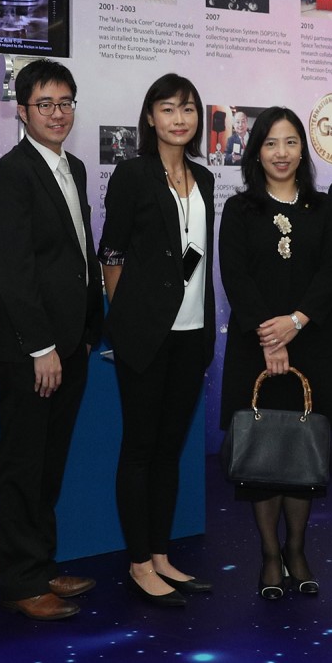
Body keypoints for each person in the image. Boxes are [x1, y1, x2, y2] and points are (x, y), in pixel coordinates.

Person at [0, 59, 105, 621]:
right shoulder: (11, 174)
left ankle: (43, 564)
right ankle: (19, 581)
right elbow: (14, 269)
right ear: (22, 110)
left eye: (65, 103)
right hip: (32, 352)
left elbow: (78, 255)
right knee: (22, 464)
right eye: (45, 104)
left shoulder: (71, 166)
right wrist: (41, 347)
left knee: (49, 462)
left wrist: (87, 331)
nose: (57, 113)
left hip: (70, 344)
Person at [218, 107, 332, 599]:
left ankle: (297, 549)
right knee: (263, 455)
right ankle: (270, 555)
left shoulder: (324, 207)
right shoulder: (240, 209)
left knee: (301, 454)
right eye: (271, 143)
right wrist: (270, 337)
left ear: (302, 150)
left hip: (312, 342)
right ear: (256, 152)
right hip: (256, 344)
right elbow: (236, 276)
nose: (281, 153)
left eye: (291, 142)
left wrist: (297, 321)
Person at [99, 73, 217, 608]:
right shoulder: (133, 174)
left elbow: (193, 253)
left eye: (188, 109)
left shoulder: (205, 178)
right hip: (145, 336)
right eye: (168, 108)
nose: (179, 119)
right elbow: (113, 251)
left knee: (170, 451)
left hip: (192, 333)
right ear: (150, 117)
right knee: (141, 449)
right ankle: (139, 563)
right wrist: (124, 317)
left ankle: (162, 555)